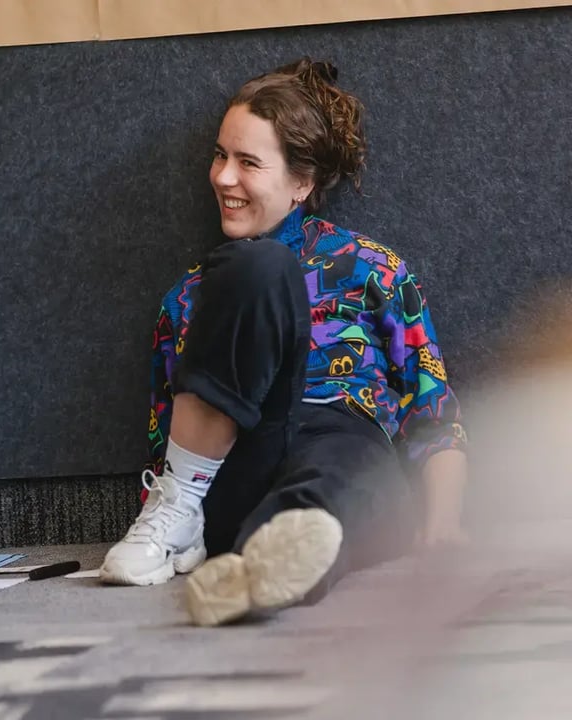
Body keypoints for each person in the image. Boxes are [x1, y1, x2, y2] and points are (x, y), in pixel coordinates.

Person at [99, 58, 468, 626]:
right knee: (258, 267)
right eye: (220, 155)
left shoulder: (374, 270)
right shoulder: (190, 296)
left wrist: (443, 524)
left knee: (329, 488)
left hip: (346, 450)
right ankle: (256, 558)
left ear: (302, 182)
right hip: (236, 458)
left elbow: (433, 413)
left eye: (247, 162)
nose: (223, 177)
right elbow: (165, 434)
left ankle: (262, 568)